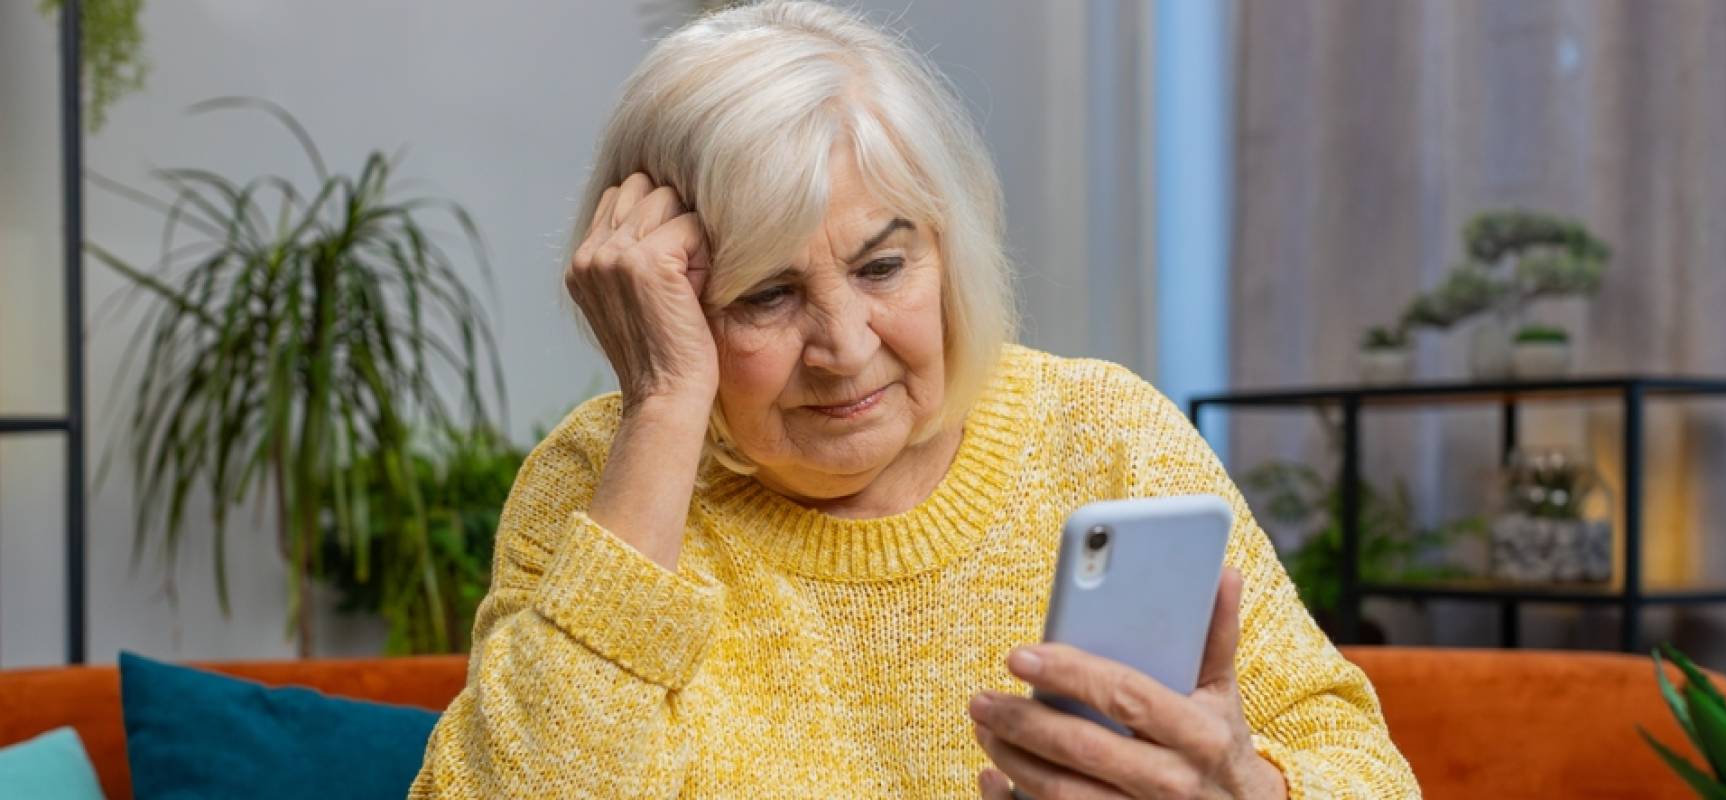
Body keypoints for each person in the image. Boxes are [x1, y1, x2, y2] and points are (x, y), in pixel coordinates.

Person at [410, 2, 1418, 797]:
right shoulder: (606, 478)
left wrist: (1247, 786)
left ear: (947, 244)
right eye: (766, 293)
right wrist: (667, 405)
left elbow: (1369, 770)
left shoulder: (1105, 431)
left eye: (882, 263)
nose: (846, 349)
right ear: (658, 296)